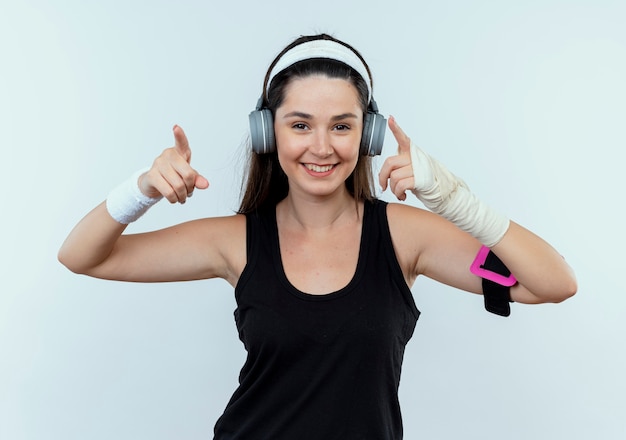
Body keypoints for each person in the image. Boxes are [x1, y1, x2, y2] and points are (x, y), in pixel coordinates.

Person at [58, 33, 577, 439]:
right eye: (300, 125)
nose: (322, 147)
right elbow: (82, 256)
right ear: (269, 132)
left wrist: (457, 202)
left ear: (367, 134)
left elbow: (552, 283)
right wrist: (142, 189)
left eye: (343, 126)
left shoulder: (404, 237)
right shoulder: (237, 241)